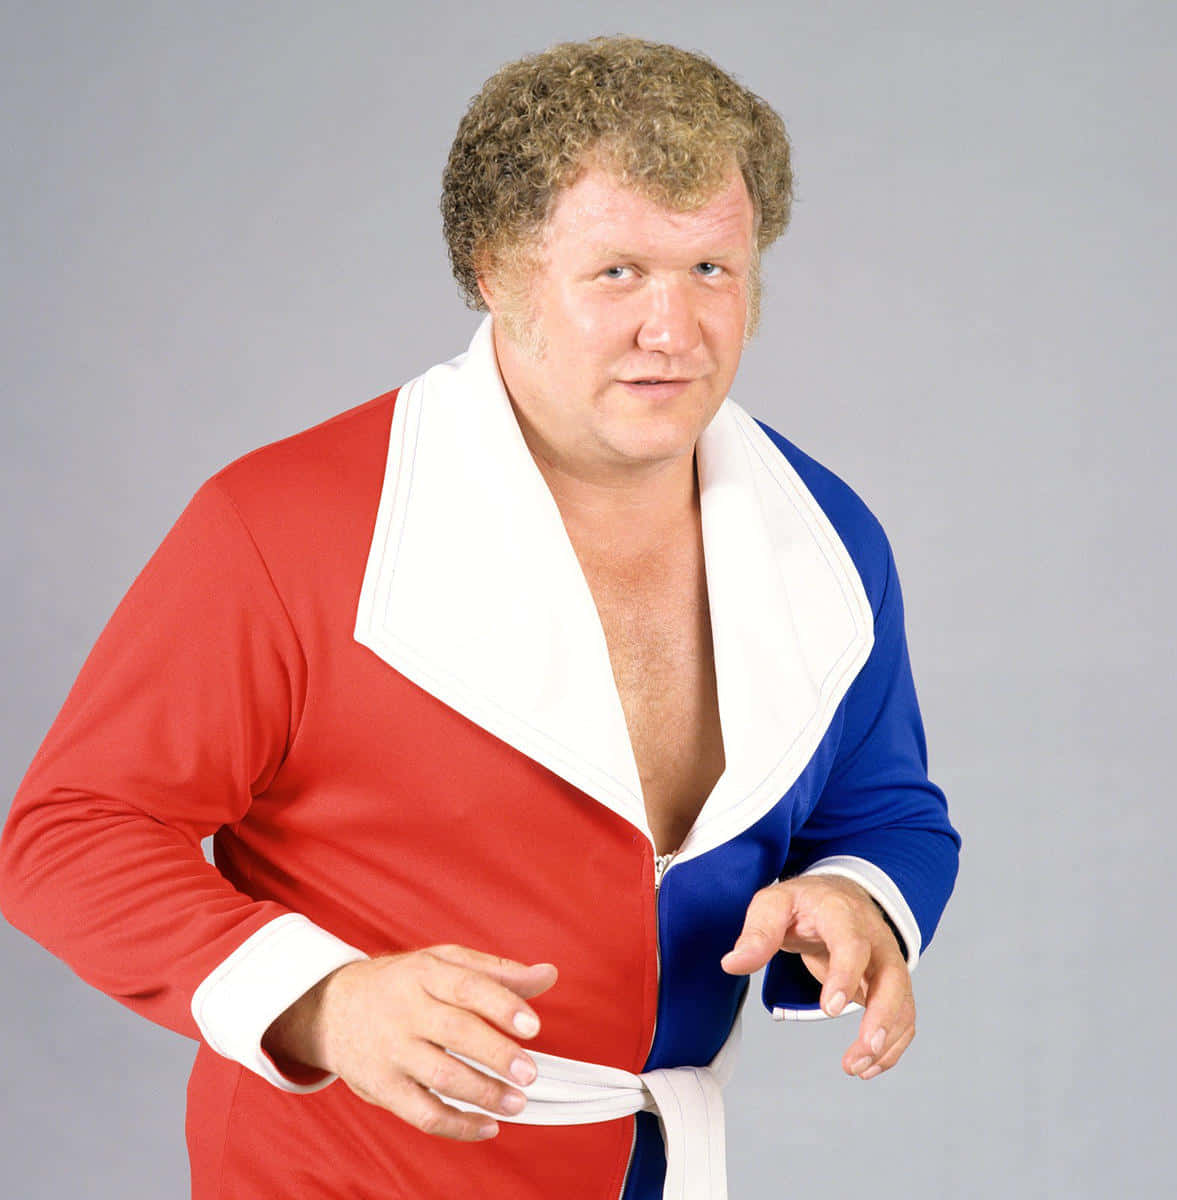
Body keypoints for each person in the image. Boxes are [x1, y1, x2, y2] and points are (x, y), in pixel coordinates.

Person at [0, 35, 959, 1200]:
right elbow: (70, 833)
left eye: (712, 268)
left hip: (654, 1170)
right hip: (339, 1175)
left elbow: (887, 810)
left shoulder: (828, 537)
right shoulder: (287, 525)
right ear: (497, 271)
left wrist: (860, 898)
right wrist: (324, 1000)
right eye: (619, 273)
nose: (675, 329)